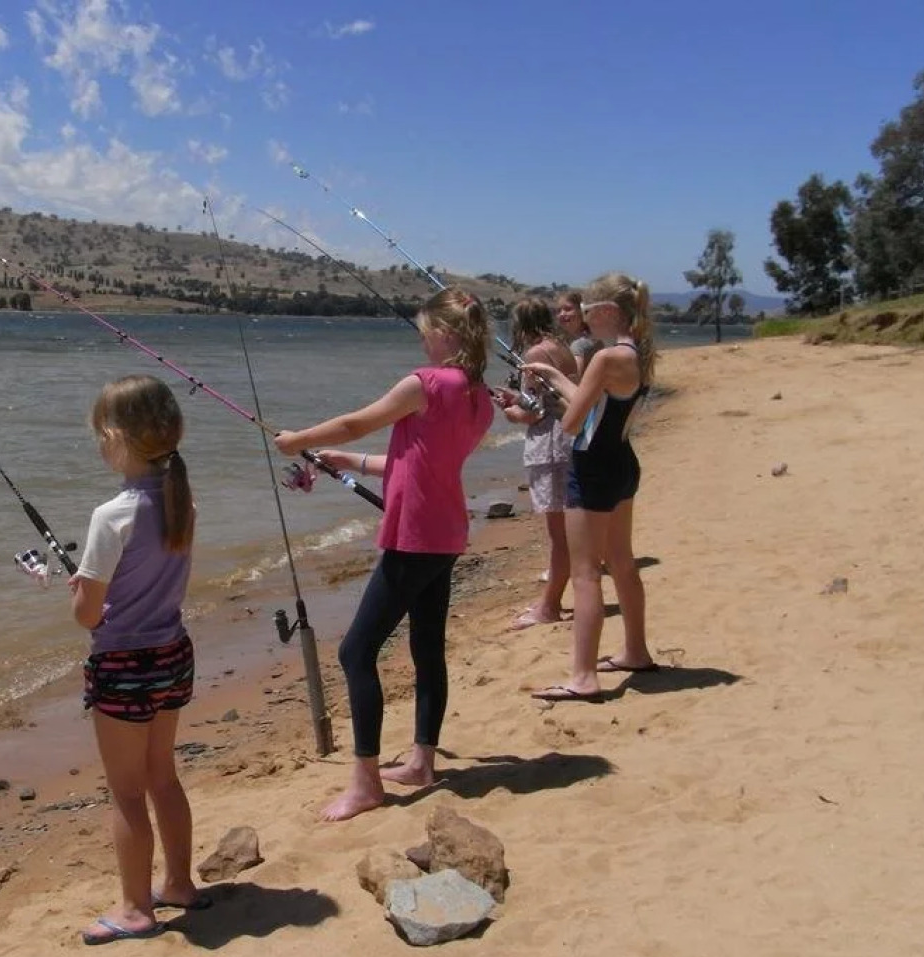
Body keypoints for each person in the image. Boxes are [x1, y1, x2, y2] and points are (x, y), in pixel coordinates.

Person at [274, 287, 494, 821]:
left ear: (445, 333)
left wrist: (296, 440)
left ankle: (367, 784)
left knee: (356, 652)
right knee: (426, 647)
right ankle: (421, 761)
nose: (422, 340)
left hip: (414, 536)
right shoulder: (479, 396)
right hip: (446, 532)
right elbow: (418, 460)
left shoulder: (426, 383)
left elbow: (357, 421)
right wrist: (347, 460)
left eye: (425, 331)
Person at [69, 374, 204, 944]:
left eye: (100, 433)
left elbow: (87, 615)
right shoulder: (182, 502)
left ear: (117, 437)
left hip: (124, 668)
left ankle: (134, 909)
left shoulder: (112, 516)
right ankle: (179, 883)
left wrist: (80, 590)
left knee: (126, 791)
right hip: (172, 655)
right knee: (162, 776)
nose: (99, 444)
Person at [524, 273, 658, 702]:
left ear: (606, 312)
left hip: (593, 468)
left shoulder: (604, 357)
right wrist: (552, 374)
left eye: (586, 310)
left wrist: (551, 398)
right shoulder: (637, 353)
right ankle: (635, 651)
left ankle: (583, 676)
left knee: (585, 575)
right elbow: (594, 399)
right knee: (622, 562)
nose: (581, 317)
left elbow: (571, 422)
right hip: (622, 464)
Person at [493, 298, 579, 629]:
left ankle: (551, 606)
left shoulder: (535, 354)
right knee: (567, 531)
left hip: (550, 447)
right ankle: (553, 600)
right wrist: (517, 399)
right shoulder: (562, 347)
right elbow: (548, 400)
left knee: (558, 535)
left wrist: (510, 411)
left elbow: (534, 414)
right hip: (570, 439)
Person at [555, 290, 601, 378]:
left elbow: (574, 379)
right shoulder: (597, 337)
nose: (562, 314)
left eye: (568, 309)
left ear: (582, 311)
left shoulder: (579, 345)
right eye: (558, 311)